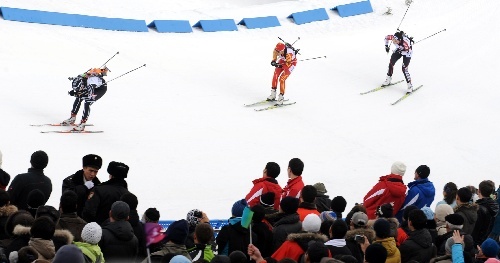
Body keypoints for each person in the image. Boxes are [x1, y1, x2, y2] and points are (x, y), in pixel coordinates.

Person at [61, 67, 109, 131]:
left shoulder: (91, 84)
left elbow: (89, 95)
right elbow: (79, 86)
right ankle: (72, 118)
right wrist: (76, 92)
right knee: (78, 98)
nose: (78, 90)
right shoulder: (81, 76)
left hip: (100, 90)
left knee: (87, 102)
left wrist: (76, 94)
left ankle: (82, 124)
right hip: (91, 86)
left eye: (80, 89)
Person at [471, 180, 499, 246]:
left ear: (479, 191)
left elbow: (476, 229)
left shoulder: (480, 208)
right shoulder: (495, 206)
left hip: (477, 243)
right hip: (488, 241)